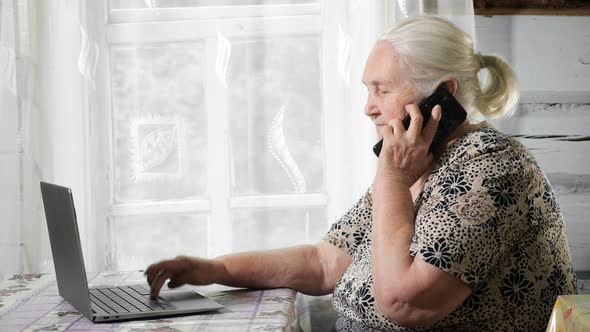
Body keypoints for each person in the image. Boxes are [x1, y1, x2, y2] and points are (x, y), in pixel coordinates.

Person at [144, 15, 578, 331]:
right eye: (368, 90)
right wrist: (214, 268)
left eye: (382, 89)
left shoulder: (492, 167)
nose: (368, 106)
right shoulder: (420, 161)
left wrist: (390, 179)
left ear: (442, 96)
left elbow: (402, 301)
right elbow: (323, 262)